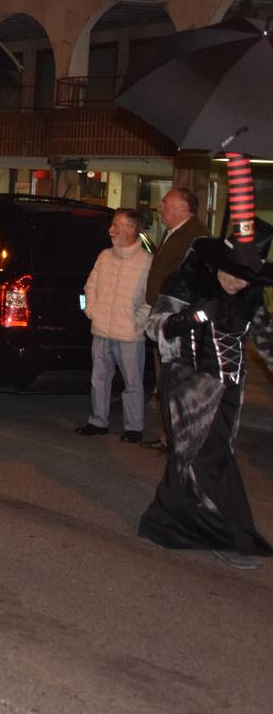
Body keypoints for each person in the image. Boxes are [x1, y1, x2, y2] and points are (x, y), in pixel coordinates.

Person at [141, 221, 273, 568]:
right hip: (190, 385)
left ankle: (167, 522)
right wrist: (193, 316)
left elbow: (266, 341)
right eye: (231, 273)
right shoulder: (189, 280)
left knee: (190, 460)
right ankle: (235, 538)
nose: (236, 281)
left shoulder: (251, 297)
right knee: (211, 460)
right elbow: (155, 326)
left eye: (245, 277)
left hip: (230, 391)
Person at [75, 208, 153, 443]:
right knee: (99, 378)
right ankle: (98, 421)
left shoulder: (147, 262)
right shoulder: (105, 256)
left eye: (116, 226)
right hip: (101, 330)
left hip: (129, 335)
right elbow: (89, 287)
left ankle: (134, 427)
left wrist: (136, 322)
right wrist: (90, 311)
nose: (110, 230)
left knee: (132, 382)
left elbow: (151, 300)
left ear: (131, 229)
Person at [141, 187, 207, 451]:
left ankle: (178, 436)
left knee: (175, 380)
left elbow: (193, 281)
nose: (160, 207)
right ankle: (167, 434)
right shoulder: (175, 233)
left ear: (182, 207)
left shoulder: (196, 237)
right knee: (164, 379)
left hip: (178, 322)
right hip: (163, 316)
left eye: (165, 203)